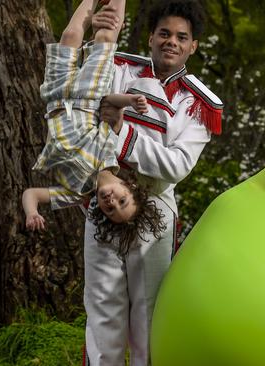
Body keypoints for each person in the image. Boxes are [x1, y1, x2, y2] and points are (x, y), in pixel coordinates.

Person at [83, 0, 223, 365]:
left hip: (154, 209)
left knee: (148, 312)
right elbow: (81, 100)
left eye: (181, 37)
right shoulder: (120, 68)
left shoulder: (198, 103)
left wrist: (120, 130)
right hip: (106, 198)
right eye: (164, 33)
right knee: (102, 306)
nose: (171, 42)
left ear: (193, 46)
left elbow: (175, 165)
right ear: (150, 37)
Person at [23, 0, 165, 254]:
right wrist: (130, 101)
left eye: (110, 209)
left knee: (70, 35)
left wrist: (32, 212)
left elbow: (31, 193)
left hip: (56, 98)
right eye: (122, 200)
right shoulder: (112, 154)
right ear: (129, 187)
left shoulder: (75, 193)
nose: (112, 201)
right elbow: (109, 104)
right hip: (90, 97)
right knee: (106, 35)